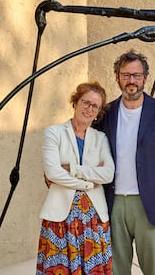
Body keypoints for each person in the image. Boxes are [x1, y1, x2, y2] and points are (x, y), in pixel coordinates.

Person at [94, 50, 155, 275]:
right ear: (117, 77)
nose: (131, 81)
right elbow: (88, 147)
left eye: (137, 75)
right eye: (126, 75)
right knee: (116, 269)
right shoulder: (106, 113)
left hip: (150, 204)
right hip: (113, 202)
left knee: (154, 269)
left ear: (145, 77)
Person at [36, 81, 115, 275]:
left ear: (99, 111)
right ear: (75, 102)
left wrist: (72, 168)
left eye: (94, 106)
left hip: (93, 216)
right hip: (61, 216)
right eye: (85, 102)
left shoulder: (100, 138)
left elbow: (108, 174)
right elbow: (53, 173)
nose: (89, 109)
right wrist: (88, 182)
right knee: (59, 267)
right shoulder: (54, 133)